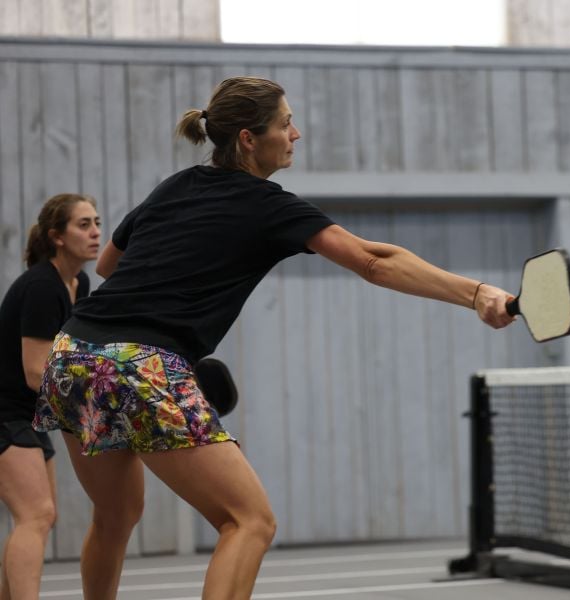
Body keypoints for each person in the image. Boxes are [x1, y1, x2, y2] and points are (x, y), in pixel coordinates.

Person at [32, 76, 515, 600]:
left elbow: (107, 265)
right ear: (248, 138)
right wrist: (476, 293)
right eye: (286, 123)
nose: (296, 133)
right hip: (139, 363)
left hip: (73, 354)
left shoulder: (176, 185)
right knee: (249, 521)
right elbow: (375, 262)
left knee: (116, 516)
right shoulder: (270, 205)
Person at [0, 194, 101, 600]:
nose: (95, 232)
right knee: (36, 515)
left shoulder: (79, 284)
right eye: (83, 224)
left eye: (96, 222)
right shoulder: (42, 286)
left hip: (30, 415)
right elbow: (35, 371)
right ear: (57, 237)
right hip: (7, 411)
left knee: (40, 516)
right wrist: (90, 408)